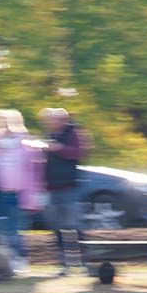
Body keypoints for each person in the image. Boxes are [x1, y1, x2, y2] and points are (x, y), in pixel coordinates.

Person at [0, 109, 37, 271]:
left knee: (15, 229)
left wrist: (32, 195)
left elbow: (32, 172)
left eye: (9, 122)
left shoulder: (25, 145)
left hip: (18, 193)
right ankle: (5, 261)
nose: (6, 127)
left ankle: (19, 259)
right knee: (1, 230)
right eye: (2, 122)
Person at [40, 107, 86, 274]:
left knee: (73, 226)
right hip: (51, 187)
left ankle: (83, 261)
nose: (52, 122)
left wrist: (59, 149)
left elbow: (79, 153)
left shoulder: (73, 133)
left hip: (69, 187)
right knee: (57, 227)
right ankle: (64, 263)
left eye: (56, 119)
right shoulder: (49, 135)